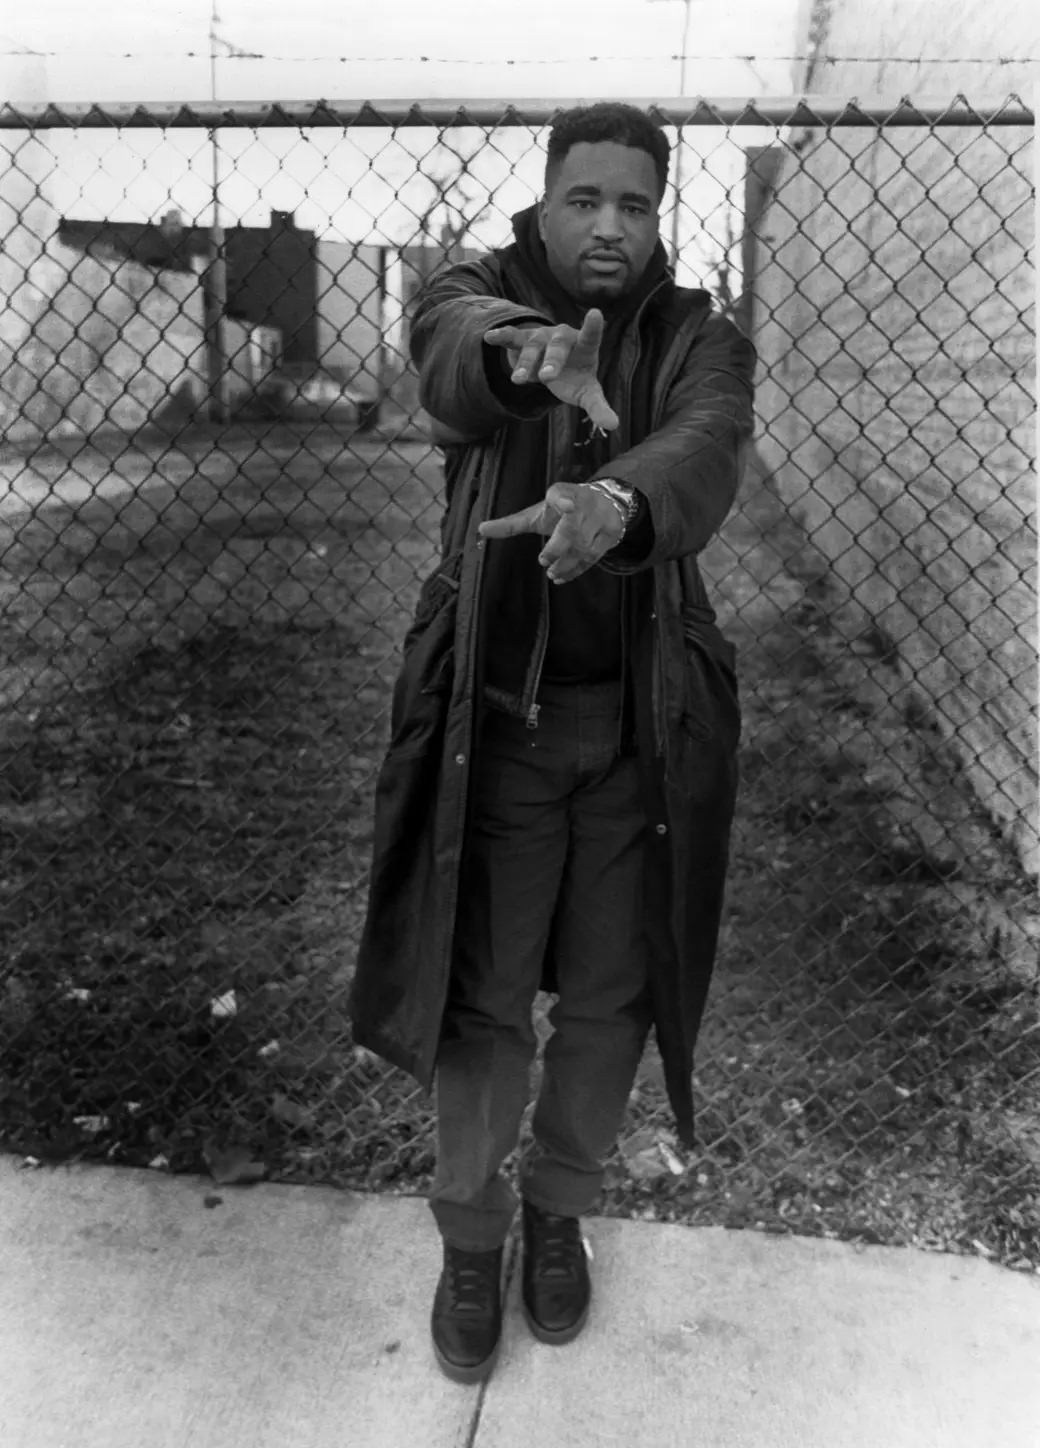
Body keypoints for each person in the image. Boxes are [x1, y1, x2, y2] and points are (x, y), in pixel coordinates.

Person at [349, 101, 755, 1383]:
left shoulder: (695, 334)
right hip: (502, 732)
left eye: (635, 205)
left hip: (639, 733)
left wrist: (616, 497)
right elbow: (447, 338)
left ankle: (557, 1210)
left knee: (608, 997)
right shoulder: (478, 293)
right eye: (586, 200)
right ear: (546, 198)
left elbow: (705, 442)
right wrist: (524, 358)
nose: (610, 228)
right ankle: (473, 1237)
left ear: (659, 215)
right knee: (479, 996)